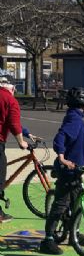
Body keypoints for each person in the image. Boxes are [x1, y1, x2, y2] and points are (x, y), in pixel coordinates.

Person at [39, 87, 84, 255]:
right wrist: (62, 158)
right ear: (83, 105)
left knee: (76, 202)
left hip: (77, 170)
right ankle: (48, 239)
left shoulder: (78, 120)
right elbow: (60, 138)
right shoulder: (74, 120)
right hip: (67, 171)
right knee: (61, 205)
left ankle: (74, 232)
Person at [0, 76, 29, 223]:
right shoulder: (10, 100)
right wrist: (22, 142)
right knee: (0, 175)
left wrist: (27, 133)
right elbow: (14, 123)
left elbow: (7, 120)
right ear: (11, 87)